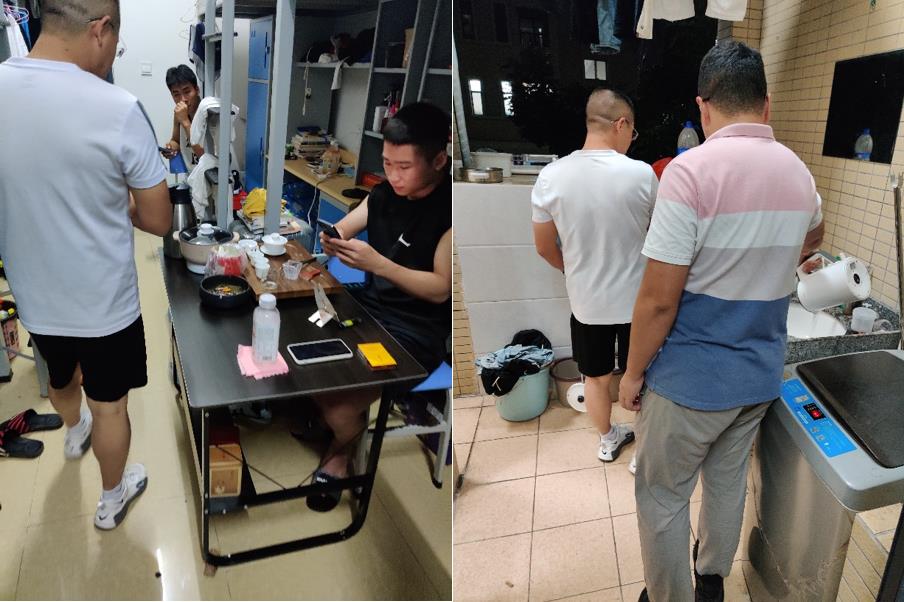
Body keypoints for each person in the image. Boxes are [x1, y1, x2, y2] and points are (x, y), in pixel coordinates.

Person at [618, 40, 824, 602]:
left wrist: (632, 374)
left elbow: (658, 301)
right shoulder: (799, 173)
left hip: (690, 382)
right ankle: (711, 579)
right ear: (766, 104)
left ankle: (670, 596)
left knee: (662, 495)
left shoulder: (690, 172)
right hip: (757, 376)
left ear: (703, 107)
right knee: (727, 482)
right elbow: (813, 238)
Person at [0, 0, 171, 530]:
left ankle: (74, 432)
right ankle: (112, 499)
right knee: (111, 406)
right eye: (116, 41)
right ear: (101, 29)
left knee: (60, 374)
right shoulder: (118, 107)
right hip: (103, 302)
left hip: (35, 295)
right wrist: (114, 201)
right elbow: (159, 220)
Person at [307, 102, 452, 512]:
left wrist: (379, 264)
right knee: (301, 352)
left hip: (416, 331)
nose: (393, 175)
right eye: (387, 163)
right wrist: (333, 238)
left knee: (339, 404)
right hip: (370, 306)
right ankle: (336, 426)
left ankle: (340, 455)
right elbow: (348, 225)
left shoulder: (448, 210)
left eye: (404, 166)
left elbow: (441, 289)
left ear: (438, 161)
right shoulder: (385, 193)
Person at [532, 88, 656, 464]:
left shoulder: (551, 176)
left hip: (587, 303)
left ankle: (607, 440)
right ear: (621, 124)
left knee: (595, 379)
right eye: (632, 131)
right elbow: (662, 240)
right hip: (638, 303)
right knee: (643, 378)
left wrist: (572, 269)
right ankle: (644, 452)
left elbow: (543, 247)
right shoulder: (643, 174)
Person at [162, 64, 204, 166]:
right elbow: (176, 141)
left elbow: (204, 156)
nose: (183, 99)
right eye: (176, 94)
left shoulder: (207, 112)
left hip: (209, 173)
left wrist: (185, 122)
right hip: (191, 173)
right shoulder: (179, 113)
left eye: (187, 91)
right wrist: (170, 148)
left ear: (197, 89)